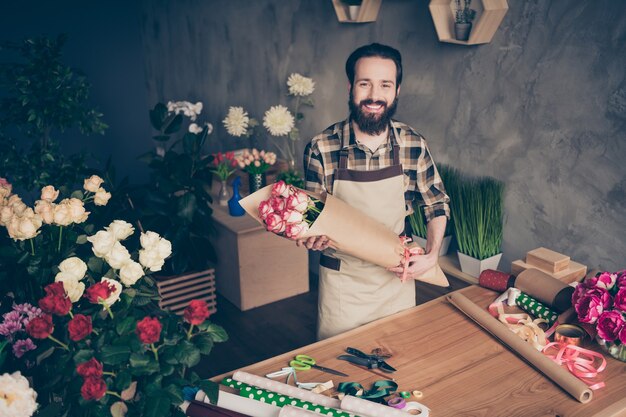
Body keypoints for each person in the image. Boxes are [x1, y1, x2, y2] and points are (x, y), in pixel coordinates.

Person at [299, 43, 450, 340]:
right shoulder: (322, 147)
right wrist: (309, 235)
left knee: (401, 366)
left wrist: (432, 254)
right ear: (350, 87)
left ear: (397, 91)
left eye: (385, 85)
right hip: (343, 287)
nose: (374, 95)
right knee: (340, 373)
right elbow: (312, 214)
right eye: (365, 83)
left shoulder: (412, 144)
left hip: (396, 281)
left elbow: (436, 202)